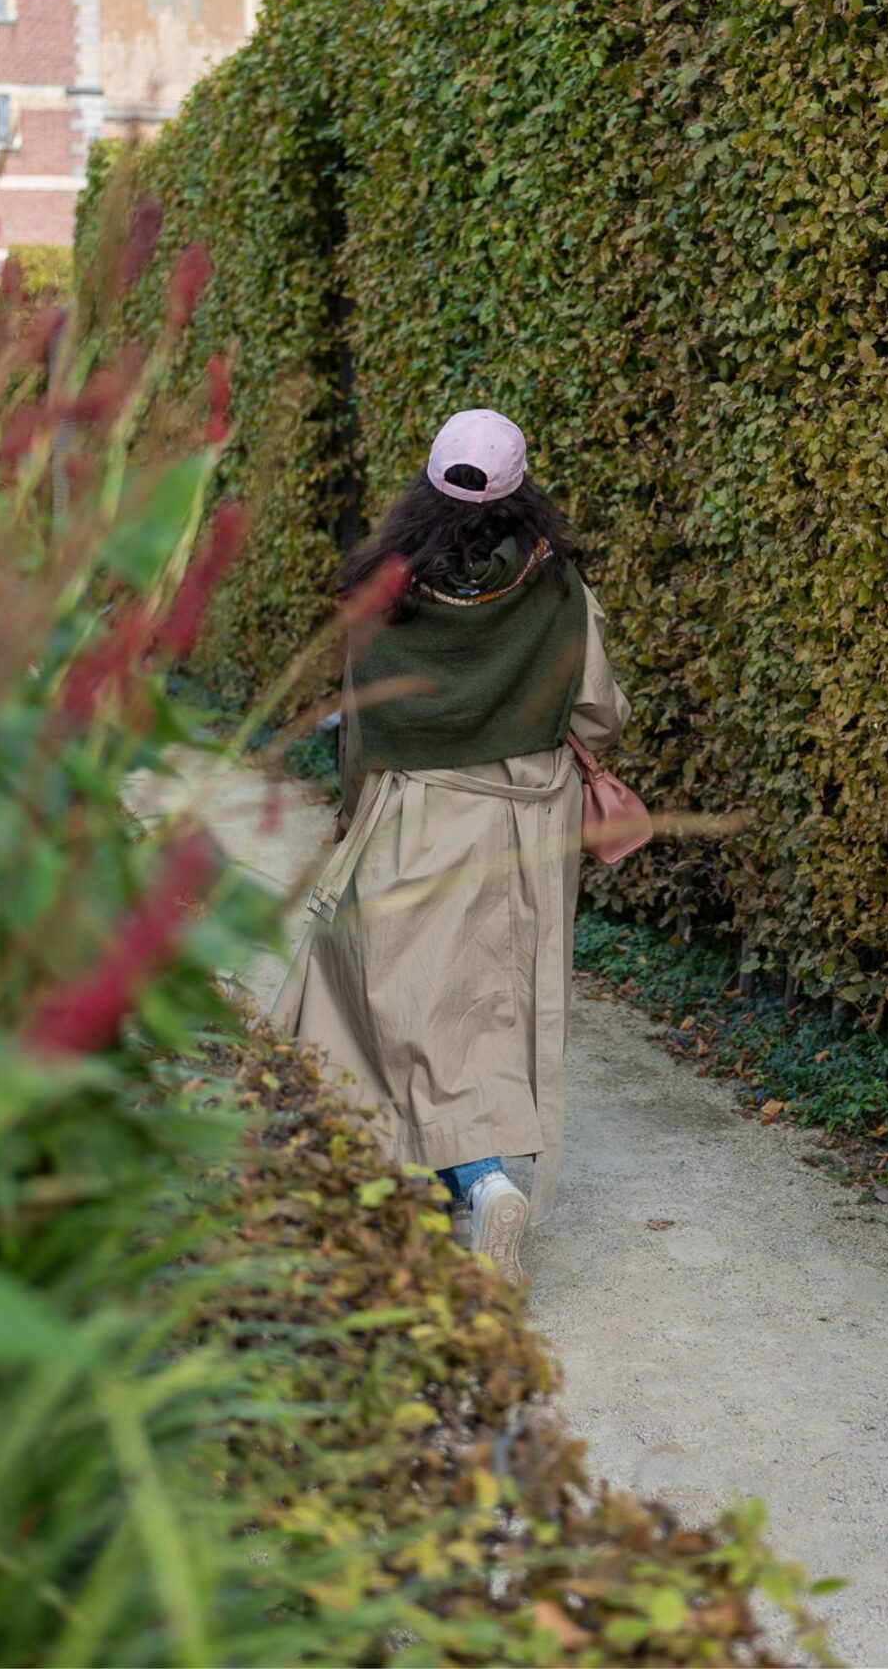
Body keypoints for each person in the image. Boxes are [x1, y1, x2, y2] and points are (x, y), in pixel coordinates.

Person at [271, 408, 630, 1281]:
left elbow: (362, 729)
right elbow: (599, 713)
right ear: (523, 494)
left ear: (429, 487)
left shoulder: (386, 594)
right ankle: (475, 1183)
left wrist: (354, 815)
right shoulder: (560, 591)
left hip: (412, 813)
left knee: (392, 1000)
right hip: (523, 821)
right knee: (492, 1006)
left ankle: (472, 1181)